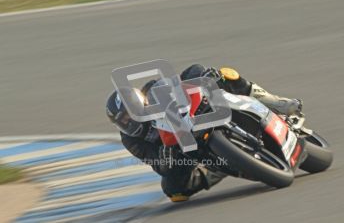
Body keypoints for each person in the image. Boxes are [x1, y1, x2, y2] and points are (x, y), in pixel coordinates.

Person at [106, 64, 302, 202]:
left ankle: (273, 102)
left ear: (141, 102)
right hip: (183, 150)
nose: (129, 121)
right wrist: (164, 158)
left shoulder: (152, 90)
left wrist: (204, 76)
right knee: (173, 191)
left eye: (130, 114)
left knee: (216, 73)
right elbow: (155, 164)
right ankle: (216, 169)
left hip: (199, 112)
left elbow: (180, 81)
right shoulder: (132, 140)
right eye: (123, 121)